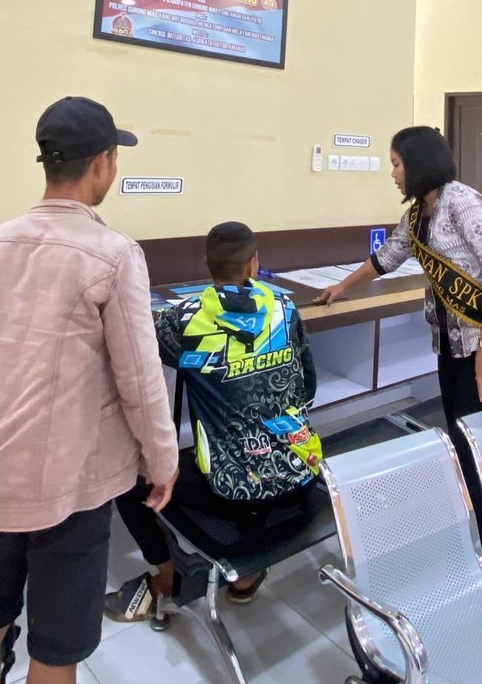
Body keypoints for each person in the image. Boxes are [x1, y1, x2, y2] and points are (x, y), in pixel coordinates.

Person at [0, 96, 179, 684]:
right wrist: (161, 459)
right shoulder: (114, 255)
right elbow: (139, 379)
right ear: (103, 163)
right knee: (56, 647)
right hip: (68, 483)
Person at [104, 221, 323, 622]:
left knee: (128, 481)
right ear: (253, 263)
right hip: (302, 471)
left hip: (231, 486)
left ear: (207, 263)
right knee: (242, 455)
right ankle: (246, 569)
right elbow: (308, 387)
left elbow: (135, 340)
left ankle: (168, 577)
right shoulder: (285, 308)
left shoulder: (184, 319)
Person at [314, 126, 482, 431]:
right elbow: (387, 257)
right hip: (450, 337)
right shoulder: (417, 214)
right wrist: (342, 286)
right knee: (458, 421)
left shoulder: (461, 201)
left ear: (418, 162)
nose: (393, 174)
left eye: (396, 164)